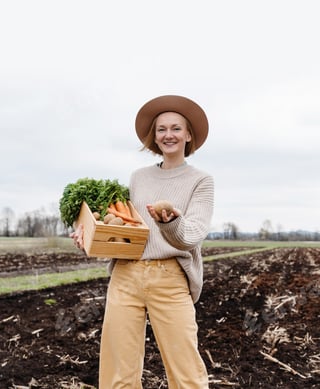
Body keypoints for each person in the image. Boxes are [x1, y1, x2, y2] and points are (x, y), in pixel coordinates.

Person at [71, 95, 214, 388]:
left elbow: (192, 235)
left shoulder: (201, 180)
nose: (168, 135)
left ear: (188, 135)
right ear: (154, 136)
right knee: (117, 373)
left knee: (186, 372)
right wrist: (91, 237)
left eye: (176, 128)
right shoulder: (138, 178)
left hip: (170, 279)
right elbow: (127, 231)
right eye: (161, 129)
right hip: (125, 275)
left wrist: (169, 221)